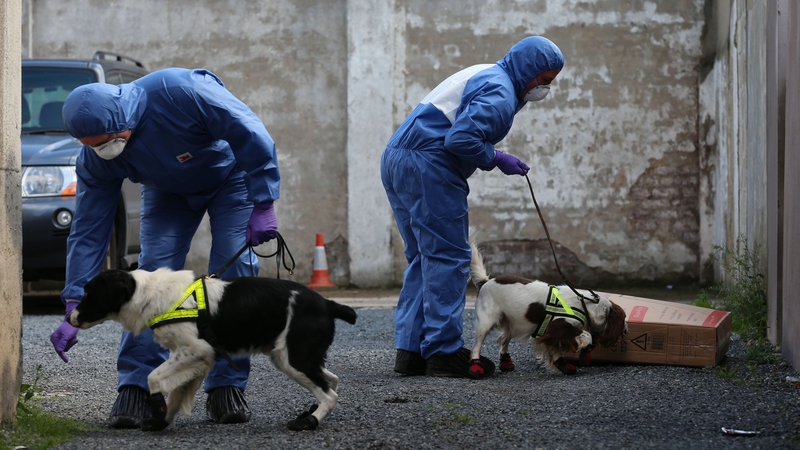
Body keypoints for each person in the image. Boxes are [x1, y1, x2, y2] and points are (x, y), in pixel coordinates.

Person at [48, 68, 281, 428]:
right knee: (147, 280)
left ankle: (226, 385)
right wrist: (75, 299)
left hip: (230, 180)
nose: (101, 150)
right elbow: (89, 229)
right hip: (165, 191)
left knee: (234, 273)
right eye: (91, 145)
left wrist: (264, 202)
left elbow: (249, 131)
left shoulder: (182, 91)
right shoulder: (96, 156)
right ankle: (136, 388)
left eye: (106, 140)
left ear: (123, 117)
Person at [381, 36, 564, 378]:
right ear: (528, 70)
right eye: (544, 80)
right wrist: (496, 157)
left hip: (397, 159)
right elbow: (460, 139)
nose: (546, 88)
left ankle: (411, 350)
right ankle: (443, 351)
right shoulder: (500, 93)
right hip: (429, 165)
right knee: (449, 257)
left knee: (423, 257)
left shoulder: (486, 72)